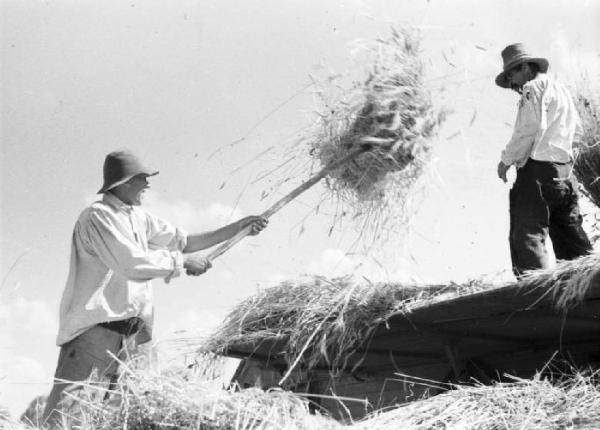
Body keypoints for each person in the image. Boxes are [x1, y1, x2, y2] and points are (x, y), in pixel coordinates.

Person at [42, 150, 268, 427]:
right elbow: (132, 264)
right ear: (124, 182)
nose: (147, 185)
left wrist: (238, 228)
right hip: (95, 332)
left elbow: (184, 241)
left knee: (126, 414)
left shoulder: (139, 218)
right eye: (142, 179)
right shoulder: (98, 217)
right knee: (69, 414)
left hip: (135, 336)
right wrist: (182, 262)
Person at [495, 43, 592, 277]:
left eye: (512, 74)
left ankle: (536, 292)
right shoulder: (563, 91)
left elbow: (528, 128)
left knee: (526, 232)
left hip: (537, 171)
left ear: (526, 67)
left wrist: (506, 160)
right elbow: (578, 132)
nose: (512, 83)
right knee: (569, 235)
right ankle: (586, 286)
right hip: (565, 174)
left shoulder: (532, 87)